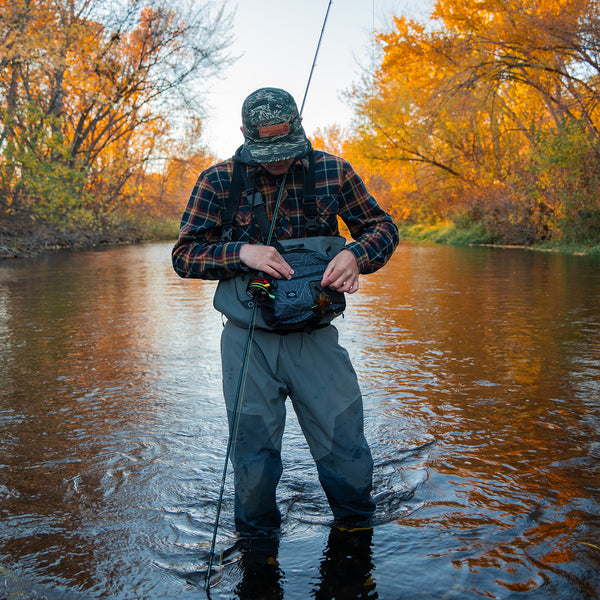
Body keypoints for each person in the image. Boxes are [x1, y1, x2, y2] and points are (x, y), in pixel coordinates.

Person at [172, 87, 399, 538]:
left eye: (285, 146)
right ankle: (258, 550)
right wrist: (242, 253)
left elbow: (383, 228)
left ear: (297, 126)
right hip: (247, 341)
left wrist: (357, 254)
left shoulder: (333, 172)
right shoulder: (217, 181)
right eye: (266, 149)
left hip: (316, 338)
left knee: (346, 450)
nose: (277, 160)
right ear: (244, 133)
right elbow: (184, 256)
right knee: (253, 462)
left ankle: (356, 535)